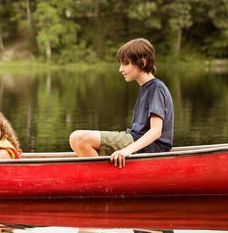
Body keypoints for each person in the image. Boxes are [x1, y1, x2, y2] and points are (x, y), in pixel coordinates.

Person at [69, 38, 173, 167]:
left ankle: (101, 181)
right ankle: (101, 178)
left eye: (125, 64)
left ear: (142, 63)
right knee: (74, 139)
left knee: (81, 138)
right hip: (135, 138)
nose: (120, 69)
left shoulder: (156, 88)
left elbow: (156, 131)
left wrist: (126, 150)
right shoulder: (146, 88)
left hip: (152, 147)